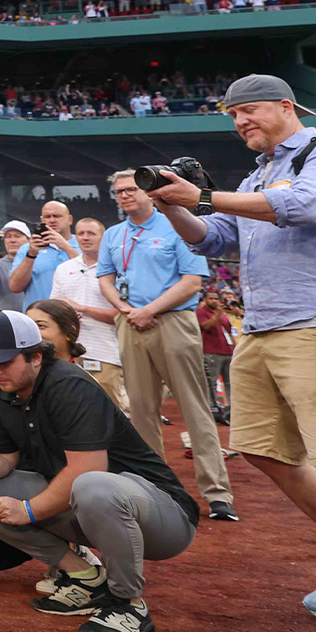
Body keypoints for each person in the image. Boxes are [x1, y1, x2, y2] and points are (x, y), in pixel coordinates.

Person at [143, 73, 316, 620]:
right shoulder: (259, 175)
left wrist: (202, 194)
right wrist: (172, 205)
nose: (240, 123)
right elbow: (216, 238)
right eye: (233, 116)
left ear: (286, 106)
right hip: (261, 327)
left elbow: (308, 207)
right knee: (262, 447)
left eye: (249, 111)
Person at [0, 310, 198, 632]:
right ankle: (85, 576)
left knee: (92, 484)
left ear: (36, 357)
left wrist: (30, 510)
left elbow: (87, 468)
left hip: (162, 518)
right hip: (91, 509)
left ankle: (128, 605)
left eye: (3, 361)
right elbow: (2, 459)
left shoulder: (68, 384)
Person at [94, 170, 236, 522]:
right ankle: (155, 489)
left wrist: (149, 310)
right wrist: (127, 310)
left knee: (194, 407)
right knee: (141, 410)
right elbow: (104, 279)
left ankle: (218, 494)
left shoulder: (177, 224)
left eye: (130, 190)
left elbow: (192, 283)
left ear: (147, 192)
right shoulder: (113, 234)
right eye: (118, 192)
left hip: (172, 321)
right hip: (130, 322)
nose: (124, 196)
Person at [51, 217, 129, 412]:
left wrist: (81, 308)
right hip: (67, 353)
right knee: (71, 410)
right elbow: (52, 308)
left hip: (106, 353)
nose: (85, 238)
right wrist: (65, 313)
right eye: (81, 233)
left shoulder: (118, 269)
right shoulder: (63, 269)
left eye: (91, 233)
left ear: (103, 238)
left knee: (109, 411)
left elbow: (123, 314)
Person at [9, 201, 75, 306]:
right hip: (38, 317)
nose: (52, 220)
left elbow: (93, 275)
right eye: (47, 217)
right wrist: (31, 255)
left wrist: (66, 247)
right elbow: (15, 287)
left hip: (77, 317)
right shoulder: (27, 249)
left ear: (70, 219)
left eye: (57, 216)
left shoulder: (83, 245)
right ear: (41, 220)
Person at [196, 292, 234, 423]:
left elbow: (229, 330)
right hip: (211, 351)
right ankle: (210, 409)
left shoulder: (223, 313)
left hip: (227, 351)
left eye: (216, 299)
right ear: (205, 299)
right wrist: (218, 314)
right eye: (211, 298)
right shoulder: (201, 312)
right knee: (210, 383)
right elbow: (206, 326)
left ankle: (230, 409)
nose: (214, 301)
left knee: (230, 383)